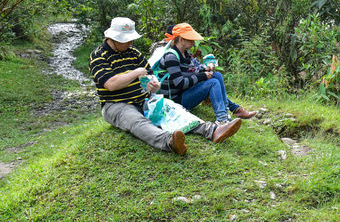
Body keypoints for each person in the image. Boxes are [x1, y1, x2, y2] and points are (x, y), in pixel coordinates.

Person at [89, 17, 241, 156]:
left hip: (144, 98)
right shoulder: (99, 55)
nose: (130, 43)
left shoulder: (133, 52)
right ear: (113, 37)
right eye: (126, 40)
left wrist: (153, 85)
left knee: (174, 110)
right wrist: (135, 73)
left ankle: (213, 130)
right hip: (117, 104)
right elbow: (111, 84)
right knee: (137, 122)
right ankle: (169, 141)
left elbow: (150, 74)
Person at [157, 22, 256, 124]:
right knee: (213, 82)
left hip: (184, 93)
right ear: (181, 39)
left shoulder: (185, 54)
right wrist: (202, 76)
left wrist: (205, 70)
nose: (193, 43)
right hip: (174, 101)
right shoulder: (171, 57)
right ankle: (222, 119)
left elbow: (191, 71)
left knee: (217, 75)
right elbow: (180, 83)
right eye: (191, 40)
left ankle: (225, 112)